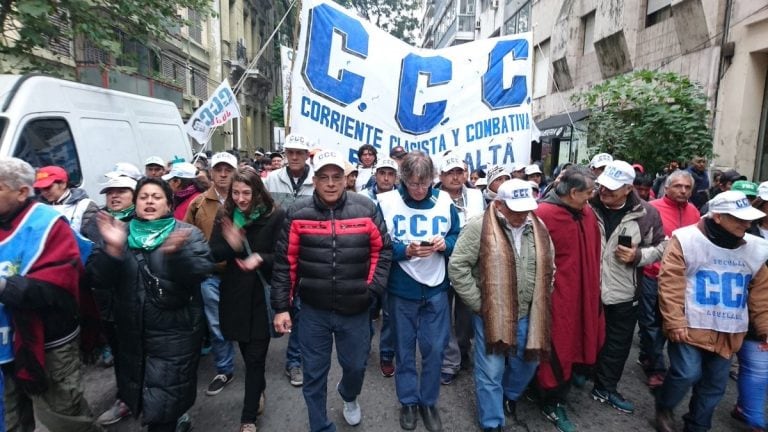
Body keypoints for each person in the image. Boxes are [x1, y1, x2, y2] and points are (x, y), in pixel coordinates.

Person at [271, 150, 392, 432]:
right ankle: (320, 426)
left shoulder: (366, 208)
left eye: (336, 177)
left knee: (355, 368)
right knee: (314, 374)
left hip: (356, 309)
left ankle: (349, 396)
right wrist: (281, 306)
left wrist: (371, 290)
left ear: (347, 179)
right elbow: (284, 263)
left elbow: (382, 250)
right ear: (314, 180)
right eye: (323, 177)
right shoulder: (297, 213)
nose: (330, 183)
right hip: (313, 311)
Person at [88, 177, 213, 432]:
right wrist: (111, 250)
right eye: (144, 197)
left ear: (168, 204)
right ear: (136, 203)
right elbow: (96, 279)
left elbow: (201, 270)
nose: (149, 202)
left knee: (163, 406)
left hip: (175, 334)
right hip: (132, 334)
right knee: (144, 393)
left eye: (156, 197)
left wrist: (176, 254)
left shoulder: (186, 234)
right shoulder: (120, 233)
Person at [0, 156, 102, 432]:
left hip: (48, 341)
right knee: (9, 420)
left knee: (65, 419)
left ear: (21, 192)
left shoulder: (49, 224)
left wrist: (5, 287)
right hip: (4, 347)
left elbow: (60, 287)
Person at [655, 190, 768, 432]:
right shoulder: (686, 240)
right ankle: (664, 406)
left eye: (747, 218)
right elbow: (671, 282)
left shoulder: (756, 248)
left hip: (729, 328)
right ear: (718, 217)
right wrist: (674, 321)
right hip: (690, 324)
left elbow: (760, 293)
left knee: (715, 385)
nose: (746, 224)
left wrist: (765, 328)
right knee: (686, 373)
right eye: (738, 219)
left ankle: (697, 425)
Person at [449, 179, 554, 432]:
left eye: (525, 209)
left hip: (530, 312)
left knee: (528, 363)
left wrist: (544, 293)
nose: (520, 215)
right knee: (491, 371)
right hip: (492, 314)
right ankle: (492, 421)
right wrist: (479, 304)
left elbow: (550, 265)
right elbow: (457, 267)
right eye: (514, 209)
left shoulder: (538, 227)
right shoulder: (479, 227)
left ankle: (509, 394)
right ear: (498, 204)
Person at [377, 151, 461, 432]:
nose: (418, 190)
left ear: (432, 181)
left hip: (436, 286)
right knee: (403, 348)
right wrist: (406, 250)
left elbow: (457, 236)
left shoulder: (444, 201)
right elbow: (379, 244)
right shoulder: (386, 202)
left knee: (435, 349)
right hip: (402, 287)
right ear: (403, 180)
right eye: (413, 184)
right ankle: (409, 401)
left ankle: (429, 401)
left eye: (424, 184)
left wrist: (444, 245)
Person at [209, 168, 286, 432]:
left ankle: (248, 418)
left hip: (261, 297)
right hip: (234, 297)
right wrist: (231, 244)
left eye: (246, 193)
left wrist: (261, 258)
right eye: (236, 193)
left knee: (255, 359)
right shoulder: (226, 216)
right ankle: (258, 389)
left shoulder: (275, 216)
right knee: (246, 353)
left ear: (258, 192)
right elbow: (213, 254)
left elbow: (284, 257)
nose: (241, 199)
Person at [588, 161, 665, 414]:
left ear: (628, 188)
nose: (604, 192)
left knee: (617, 343)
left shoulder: (647, 213)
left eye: (612, 188)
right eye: (602, 186)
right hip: (588, 289)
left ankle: (606, 387)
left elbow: (661, 247)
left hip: (624, 291)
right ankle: (582, 373)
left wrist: (637, 256)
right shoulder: (587, 205)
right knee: (585, 335)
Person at [534, 165, 604, 432]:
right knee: (557, 343)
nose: (592, 196)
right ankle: (550, 400)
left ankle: (568, 381)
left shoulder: (586, 214)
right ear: (573, 192)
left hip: (584, 292)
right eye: (588, 192)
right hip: (557, 295)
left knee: (579, 337)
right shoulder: (542, 215)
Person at [83, 172, 138, 426]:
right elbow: (93, 269)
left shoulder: (145, 220)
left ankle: (164, 403)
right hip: (109, 305)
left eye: (121, 191)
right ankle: (125, 398)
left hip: (141, 304)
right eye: (110, 192)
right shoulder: (98, 222)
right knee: (121, 354)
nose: (114, 196)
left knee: (149, 354)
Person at [638, 170, 700, 389]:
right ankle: (656, 368)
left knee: (669, 323)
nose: (683, 190)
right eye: (678, 186)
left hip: (681, 279)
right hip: (652, 274)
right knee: (650, 323)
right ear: (667, 187)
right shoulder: (652, 208)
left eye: (687, 187)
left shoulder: (694, 212)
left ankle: (650, 356)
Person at [184, 152, 239, 396]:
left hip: (241, 274)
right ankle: (225, 368)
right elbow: (188, 236)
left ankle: (255, 368)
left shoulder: (245, 198)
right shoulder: (198, 203)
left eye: (228, 169)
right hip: (210, 275)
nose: (224, 174)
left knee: (244, 322)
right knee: (216, 324)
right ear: (211, 173)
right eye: (219, 169)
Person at [265, 133, 315, 387]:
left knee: (302, 310)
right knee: (278, 306)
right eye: (290, 152)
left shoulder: (317, 181)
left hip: (307, 257)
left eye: (299, 152)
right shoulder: (271, 179)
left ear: (307, 155)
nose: (294, 157)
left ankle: (294, 361)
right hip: (278, 255)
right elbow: (260, 212)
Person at [436, 155, 485, 384]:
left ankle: (463, 350)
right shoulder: (434, 197)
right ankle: (449, 360)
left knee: (466, 312)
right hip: (442, 260)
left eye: (459, 172)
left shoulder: (476, 195)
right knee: (443, 312)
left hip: (471, 264)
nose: (455, 177)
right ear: (441, 176)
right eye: (450, 173)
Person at [731, 182, 768, 431]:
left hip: (763, 311)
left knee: (757, 367)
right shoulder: (742, 230)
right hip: (734, 306)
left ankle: (751, 414)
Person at [359, 158, 399, 377]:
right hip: (366, 260)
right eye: (382, 173)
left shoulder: (401, 198)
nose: (385, 177)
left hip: (392, 261)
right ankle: (363, 348)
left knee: (390, 313)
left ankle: (386, 355)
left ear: (396, 177)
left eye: (390, 174)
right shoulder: (363, 197)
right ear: (375, 175)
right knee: (366, 307)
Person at [34, 165, 99, 236]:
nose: (44, 192)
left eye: (48, 187)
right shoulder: (40, 207)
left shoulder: (85, 205)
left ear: (63, 184)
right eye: (41, 189)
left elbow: (94, 241)